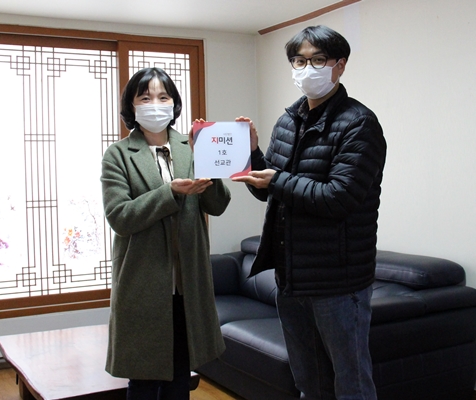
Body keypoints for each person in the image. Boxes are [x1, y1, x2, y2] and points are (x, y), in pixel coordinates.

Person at [232, 25, 386, 400]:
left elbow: (339, 198)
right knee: (309, 382)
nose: (307, 69)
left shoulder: (359, 123)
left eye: (318, 60)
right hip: (290, 276)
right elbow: (269, 191)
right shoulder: (288, 121)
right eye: (299, 61)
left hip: (338, 281)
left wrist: (277, 180)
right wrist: (251, 154)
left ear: (340, 65)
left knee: (351, 384)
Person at [101, 67, 231, 400]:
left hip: (188, 285)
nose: (155, 105)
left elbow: (217, 205)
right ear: (131, 106)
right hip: (143, 284)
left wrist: (209, 167)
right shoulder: (118, 155)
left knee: (180, 379)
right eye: (145, 98)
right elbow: (120, 217)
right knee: (143, 381)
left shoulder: (191, 146)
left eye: (163, 97)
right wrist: (170, 192)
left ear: (174, 104)